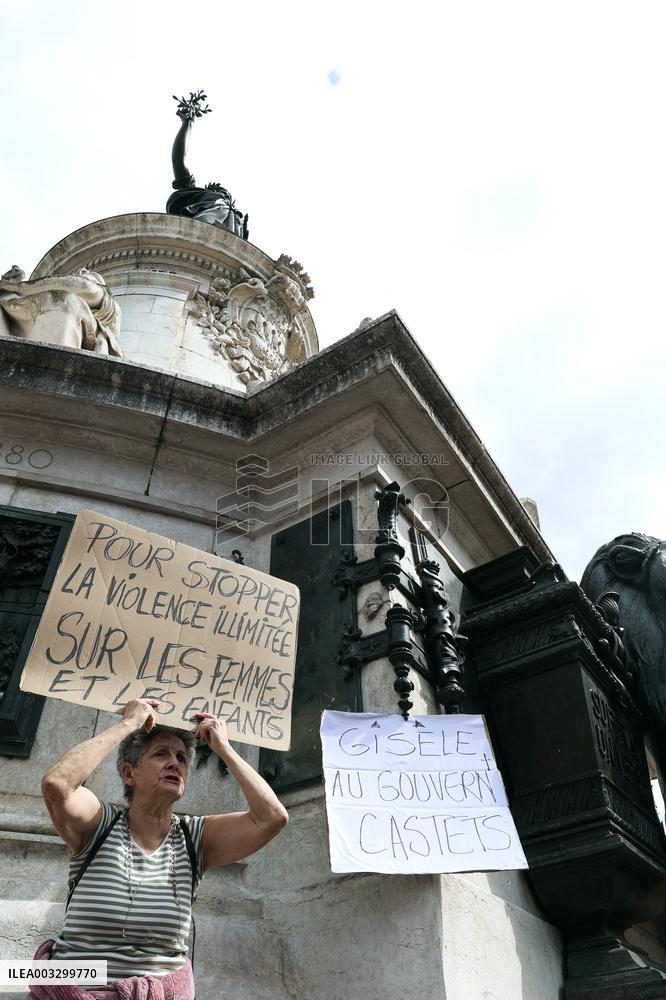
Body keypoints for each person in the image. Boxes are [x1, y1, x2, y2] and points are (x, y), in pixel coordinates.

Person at [31, 698, 288, 999]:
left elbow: (273, 817)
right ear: (129, 774)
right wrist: (128, 724)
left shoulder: (195, 838)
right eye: (160, 754)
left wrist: (223, 748)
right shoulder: (99, 825)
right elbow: (57, 784)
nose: (174, 763)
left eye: (181, 758)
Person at [0, 267, 122, 356]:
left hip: (86, 336)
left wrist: (15, 287)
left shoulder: (105, 299)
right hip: (32, 319)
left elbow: (80, 285)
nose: (80, 274)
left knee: (62, 300)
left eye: (83, 274)